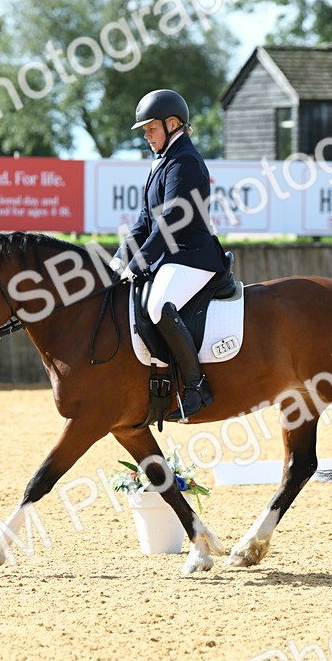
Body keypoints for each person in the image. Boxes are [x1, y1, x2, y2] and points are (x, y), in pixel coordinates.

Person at [110, 89, 225, 421]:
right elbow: (146, 221)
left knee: (158, 306)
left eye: (151, 129)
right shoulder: (161, 162)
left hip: (194, 256)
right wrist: (120, 259)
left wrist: (140, 262)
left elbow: (172, 220)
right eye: (145, 131)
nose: (146, 136)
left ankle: (195, 386)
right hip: (172, 257)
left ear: (173, 124)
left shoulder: (184, 161)